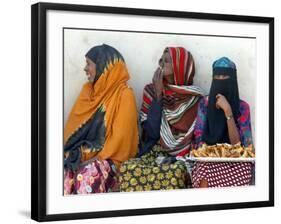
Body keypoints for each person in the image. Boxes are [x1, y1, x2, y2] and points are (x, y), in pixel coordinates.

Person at [119, 47, 204, 192]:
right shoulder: (151, 90)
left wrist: (180, 156)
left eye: (166, 61)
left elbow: (196, 138)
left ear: (179, 66)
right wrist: (158, 95)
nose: (161, 64)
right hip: (154, 150)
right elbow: (151, 132)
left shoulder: (194, 98)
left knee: (174, 173)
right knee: (128, 168)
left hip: (182, 155)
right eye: (160, 61)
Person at [63, 44, 138, 194]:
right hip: (88, 154)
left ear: (104, 67)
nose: (85, 69)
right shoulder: (88, 91)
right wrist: (80, 155)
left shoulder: (124, 95)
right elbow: (72, 130)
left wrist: (97, 158)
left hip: (113, 160)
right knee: (63, 173)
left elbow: (120, 141)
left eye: (89, 64)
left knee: (87, 175)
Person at [192, 57, 254, 188]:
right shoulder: (205, 104)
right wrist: (215, 153)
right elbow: (199, 142)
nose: (220, 79)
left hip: (235, 161)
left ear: (233, 79)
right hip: (209, 160)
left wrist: (228, 111)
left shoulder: (243, 107)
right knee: (203, 172)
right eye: (217, 75)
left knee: (244, 171)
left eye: (225, 76)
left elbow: (241, 146)